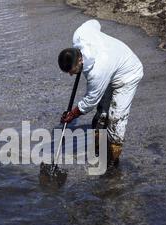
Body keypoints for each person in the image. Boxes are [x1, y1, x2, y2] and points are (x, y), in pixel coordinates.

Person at [58, 19, 143, 167]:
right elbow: (94, 22)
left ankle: (112, 161)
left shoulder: (96, 72)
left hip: (127, 74)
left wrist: (72, 114)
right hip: (112, 66)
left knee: (116, 119)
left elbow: (90, 101)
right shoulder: (80, 35)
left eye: (72, 72)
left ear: (79, 61)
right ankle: (98, 149)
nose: (72, 75)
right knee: (102, 115)